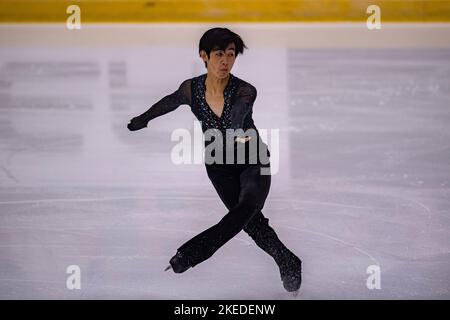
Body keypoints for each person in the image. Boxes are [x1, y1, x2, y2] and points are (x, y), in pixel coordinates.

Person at [127, 27, 302, 294]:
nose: (225, 61)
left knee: (244, 212)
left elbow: (238, 115)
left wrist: (232, 132)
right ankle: (287, 260)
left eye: (231, 54)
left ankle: (190, 254)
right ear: (204, 56)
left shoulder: (245, 90)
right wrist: (143, 119)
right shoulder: (191, 89)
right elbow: (171, 101)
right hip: (218, 165)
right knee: (251, 225)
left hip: (253, 159)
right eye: (219, 54)